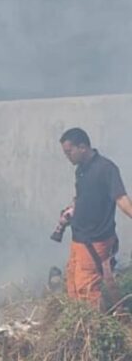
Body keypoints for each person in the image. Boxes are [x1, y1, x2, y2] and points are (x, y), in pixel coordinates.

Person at [60, 127, 132, 311]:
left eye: (69, 152)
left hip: (95, 239)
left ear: (82, 147)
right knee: (73, 283)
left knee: (87, 288)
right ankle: (78, 323)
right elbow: (82, 197)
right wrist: (71, 211)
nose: (67, 156)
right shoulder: (81, 170)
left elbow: (121, 198)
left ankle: (93, 328)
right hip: (79, 238)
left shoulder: (106, 169)